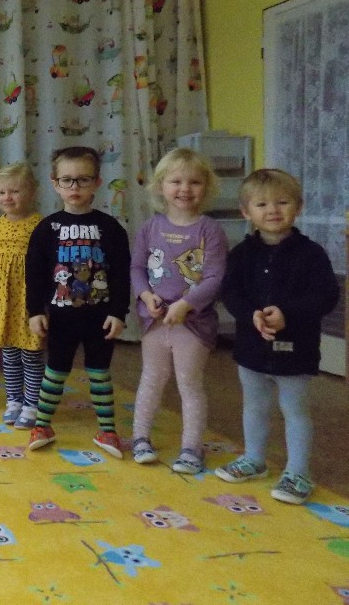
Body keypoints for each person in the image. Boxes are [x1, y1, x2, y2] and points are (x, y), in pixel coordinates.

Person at [215, 169, 339, 505]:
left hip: (296, 349)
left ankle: (298, 473)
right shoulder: (241, 253)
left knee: (294, 409)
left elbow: (326, 296)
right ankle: (254, 459)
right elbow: (231, 293)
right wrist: (250, 315)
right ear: (246, 212)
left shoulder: (312, 254)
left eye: (282, 202)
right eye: (262, 204)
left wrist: (289, 315)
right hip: (251, 348)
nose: (272, 210)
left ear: (298, 207)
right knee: (254, 405)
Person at [25, 146, 131, 456]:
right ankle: (42, 425)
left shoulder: (111, 228)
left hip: (101, 317)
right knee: (55, 371)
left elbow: (122, 274)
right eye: (67, 180)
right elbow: (34, 274)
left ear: (97, 182)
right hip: (61, 317)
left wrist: (119, 312)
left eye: (83, 180)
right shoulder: (46, 229)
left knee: (100, 372)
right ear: (55, 183)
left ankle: (107, 431)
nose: (75, 187)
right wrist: (35, 311)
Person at [129, 148, 227, 473]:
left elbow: (214, 277)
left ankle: (191, 449)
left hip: (194, 323)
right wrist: (146, 296)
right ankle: (140, 438)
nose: (185, 189)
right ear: (161, 186)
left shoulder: (210, 230)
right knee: (152, 378)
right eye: (176, 181)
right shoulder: (150, 227)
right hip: (155, 320)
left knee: (189, 383)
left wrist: (186, 305)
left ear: (206, 187)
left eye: (194, 182)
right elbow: (137, 268)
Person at [0, 163, 43, 428]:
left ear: (31, 192)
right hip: (2, 300)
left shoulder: (40, 225)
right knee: (9, 352)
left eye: (15, 191)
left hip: (28, 300)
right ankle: (14, 400)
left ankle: (32, 404)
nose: (7, 197)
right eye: (2, 192)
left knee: (31, 352)